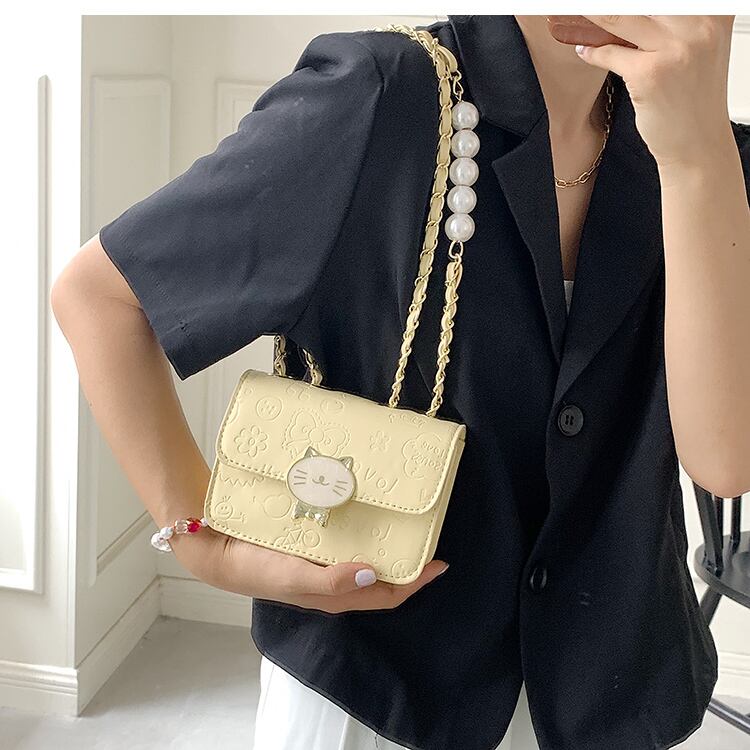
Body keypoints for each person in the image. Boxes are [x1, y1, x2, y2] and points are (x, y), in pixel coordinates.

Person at [51, 14, 750, 750]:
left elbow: (725, 461)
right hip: (377, 691)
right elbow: (99, 297)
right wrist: (202, 543)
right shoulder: (383, 92)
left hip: (604, 691)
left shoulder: (708, 154)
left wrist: (698, 156)